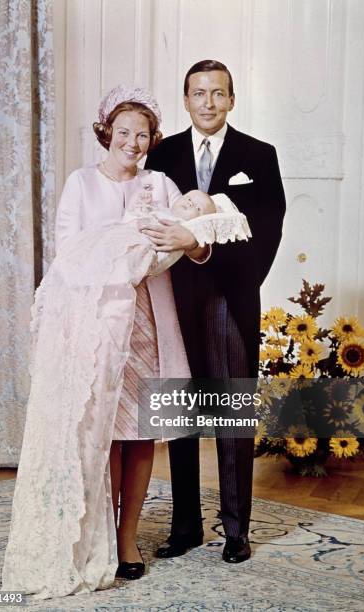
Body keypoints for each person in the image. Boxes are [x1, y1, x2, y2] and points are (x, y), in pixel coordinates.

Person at [1, 85, 249, 600]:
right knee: (104, 432)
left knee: (140, 433)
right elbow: (69, 252)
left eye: (142, 135)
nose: (133, 144)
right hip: (96, 325)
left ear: (152, 139)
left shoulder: (160, 183)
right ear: (106, 134)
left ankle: (128, 538)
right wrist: (120, 249)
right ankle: (98, 539)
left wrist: (174, 244)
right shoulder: (80, 184)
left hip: (150, 323)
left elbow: (185, 237)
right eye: (123, 134)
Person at [145, 59, 286, 563]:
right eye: (198, 93)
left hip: (231, 294)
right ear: (185, 100)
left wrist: (201, 246)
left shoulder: (259, 156)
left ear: (232, 99)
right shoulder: (160, 155)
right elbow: (147, 220)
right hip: (173, 297)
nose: (208, 102)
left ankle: (236, 529)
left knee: (230, 413)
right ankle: (185, 526)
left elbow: (265, 233)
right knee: (179, 408)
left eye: (217, 93)